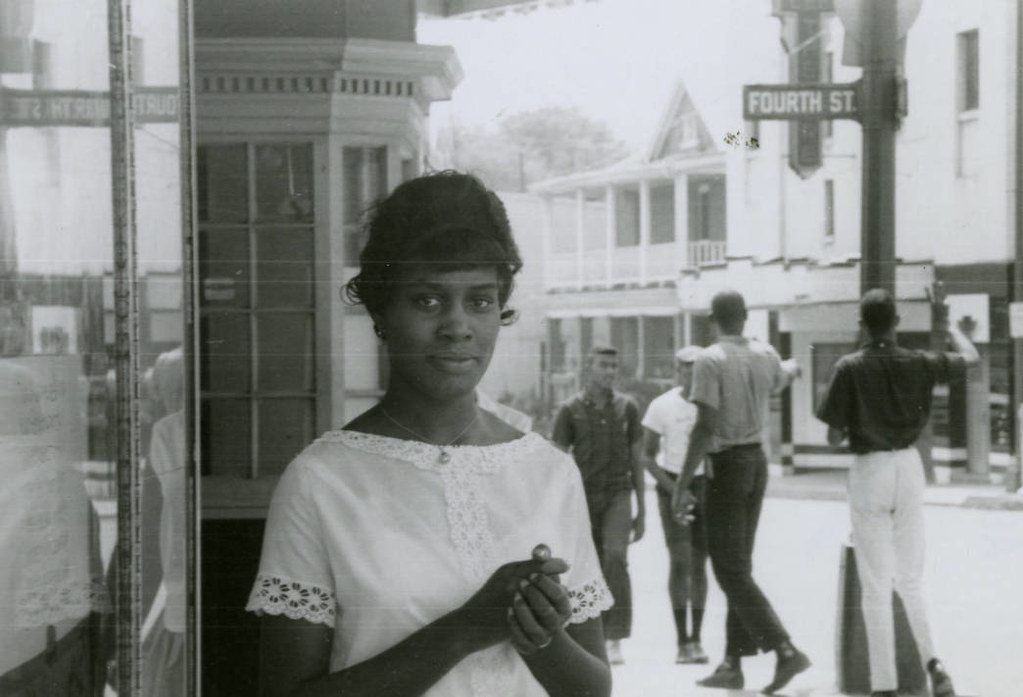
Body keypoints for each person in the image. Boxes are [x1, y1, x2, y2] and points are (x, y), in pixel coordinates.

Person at [246, 171, 613, 697]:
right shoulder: (322, 481)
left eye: (480, 301)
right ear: (381, 312)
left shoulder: (549, 473)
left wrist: (541, 632)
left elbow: (594, 690)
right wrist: (462, 631)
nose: (458, 326)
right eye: (428, 300)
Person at [815, 287, 975, 697]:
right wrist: (951, 325)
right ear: (897, 322)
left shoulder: (849, 367)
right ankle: (935, 664)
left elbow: (833, 437)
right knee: (912, 578)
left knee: (875, 584)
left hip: (870, 469)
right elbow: (970, 359)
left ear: (862, 324)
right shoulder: (918, 362)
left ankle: (883, 685)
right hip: (909, 465)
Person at [671, 290, 809, 694]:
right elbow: (785, 376)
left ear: (712, 319)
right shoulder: (765, 354)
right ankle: (733, 663)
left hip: (728, 468)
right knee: (739, 567)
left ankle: (784, 649)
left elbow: (705, 426)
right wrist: (797, 366)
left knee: (729, 569)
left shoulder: (710, 360)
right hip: (756, 464)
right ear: (745, 317)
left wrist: (682, 484)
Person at [551, 344, 645, 666]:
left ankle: (616, 637)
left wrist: (642, 508)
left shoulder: (628, 408)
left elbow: (636, 458)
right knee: (583, 566)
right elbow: (558, 462)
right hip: (583, 498)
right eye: (603, 365)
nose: (609, 372)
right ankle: (588, 635)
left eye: (613, 366)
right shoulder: (569, 410)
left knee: (616, 558)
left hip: (618, 494)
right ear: (588, 367)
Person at [640, 345, 710, 665]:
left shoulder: (711, 403)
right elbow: (646, 456)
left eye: (697, 369)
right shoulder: (661, 406)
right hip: (672, 484)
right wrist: (674, 490)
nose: (691, 374)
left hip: (703, 486)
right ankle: (682, 640)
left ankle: (697, 638)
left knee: (699, 563)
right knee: (680, 562)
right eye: (685, 368)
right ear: (677, 370)